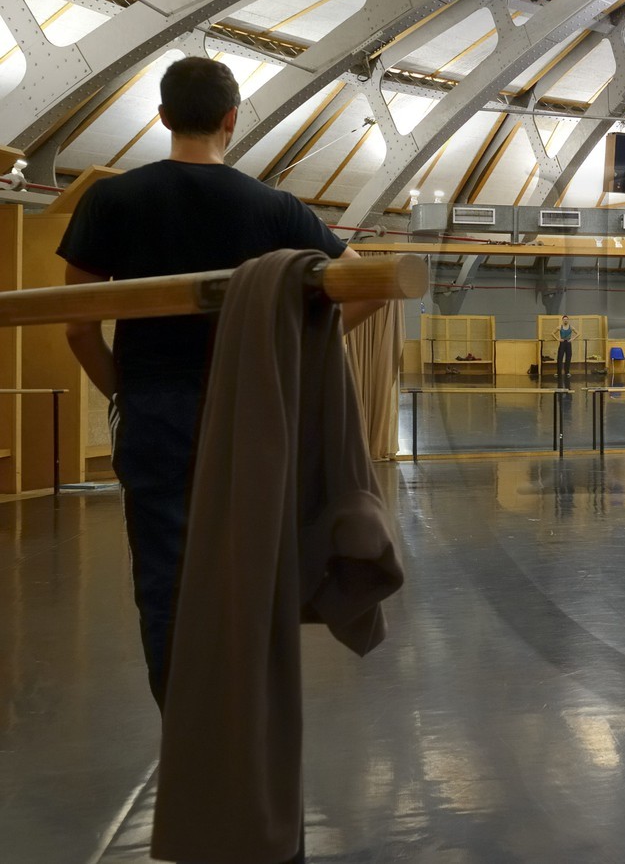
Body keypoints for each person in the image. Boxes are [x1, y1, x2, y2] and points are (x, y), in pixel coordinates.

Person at [56, 56, 382, 727]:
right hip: (250, 413)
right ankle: (245, 723)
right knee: (251, 565)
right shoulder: (274, 207)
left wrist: (126, 393)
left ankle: (187, 727)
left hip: (154, 411)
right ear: (232, 120)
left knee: (165, 577)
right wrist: (291, 363)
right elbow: (367, 284)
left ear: (163, 116)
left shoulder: (111, 201)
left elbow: (78, 329)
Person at [552, 314, 575, 387]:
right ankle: (558, 372)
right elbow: (552, 333)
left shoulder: (571, 327)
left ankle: (567, 372)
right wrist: (558, 339)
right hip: (562, 343)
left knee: (568, 358)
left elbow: (578, 333)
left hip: (568, 343)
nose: (565, 320)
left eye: (566, 319)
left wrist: (573, 338)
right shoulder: (560, 327)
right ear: (562, 320)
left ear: (568, 320)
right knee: (560, 358)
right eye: (564, 319)